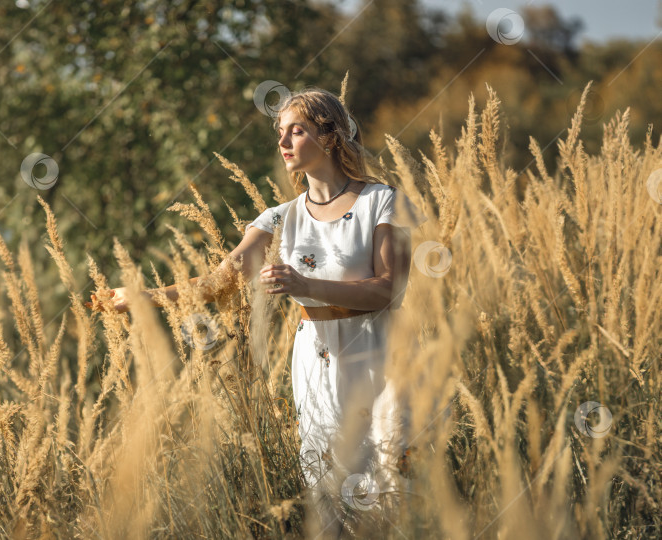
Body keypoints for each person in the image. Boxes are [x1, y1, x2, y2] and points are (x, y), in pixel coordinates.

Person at [89, 87, 426, 533]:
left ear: (329, 137)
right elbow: (215, 282)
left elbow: (387, 289)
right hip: (318, 358)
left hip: (382, 355)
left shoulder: (382, 201)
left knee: (391, 480)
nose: (283, 143)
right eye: (280, 133)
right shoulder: (278, 218)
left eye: (296, 131)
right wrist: (141, 295)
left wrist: (304, 284)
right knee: (329, 488)